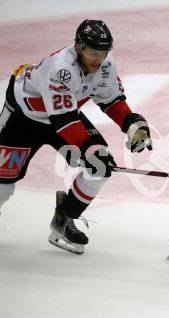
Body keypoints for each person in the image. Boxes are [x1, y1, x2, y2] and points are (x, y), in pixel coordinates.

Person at [0, 19, 152, 255]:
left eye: (102, 52)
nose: (97, 58)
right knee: (3, 183)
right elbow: (63, 120)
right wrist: (88, 148)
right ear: (78, 47)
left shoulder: (106, 65)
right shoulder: (61, 68)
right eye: (92, 52)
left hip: (63, 116)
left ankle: (64, 218)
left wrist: (131, 123)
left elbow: (111, 100)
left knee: (100, 167)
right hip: (24, 117)